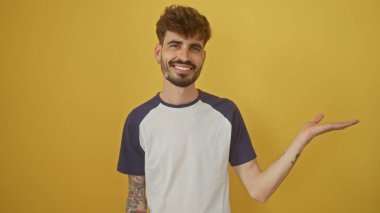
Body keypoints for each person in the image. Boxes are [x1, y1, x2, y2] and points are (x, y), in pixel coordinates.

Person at [117, 5, 359, 213]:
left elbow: (259, 190)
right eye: (175, 45)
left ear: (203, 56)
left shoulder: (225, 113)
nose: (184, 55)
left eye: (194, 47)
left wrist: (301, 139)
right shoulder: (138, 121)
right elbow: (136, 201)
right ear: (159, 53)